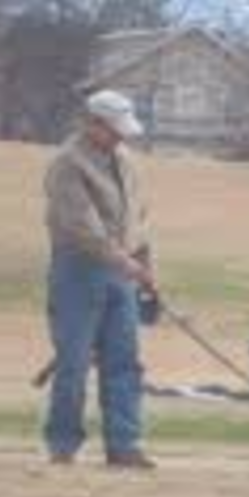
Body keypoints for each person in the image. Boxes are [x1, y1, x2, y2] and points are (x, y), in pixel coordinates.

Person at [42, 90, 157, 469]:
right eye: (114, 129)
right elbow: (81, 227)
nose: (121, 137)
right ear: (92, 123)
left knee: (125, 362)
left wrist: (144, 262)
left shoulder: (124, 161)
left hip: (121, 274)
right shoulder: (66, 164)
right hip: (78, 270)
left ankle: (123, 445)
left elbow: (136, 219)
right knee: (73, 363)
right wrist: (124, 262)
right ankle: (63, 445)